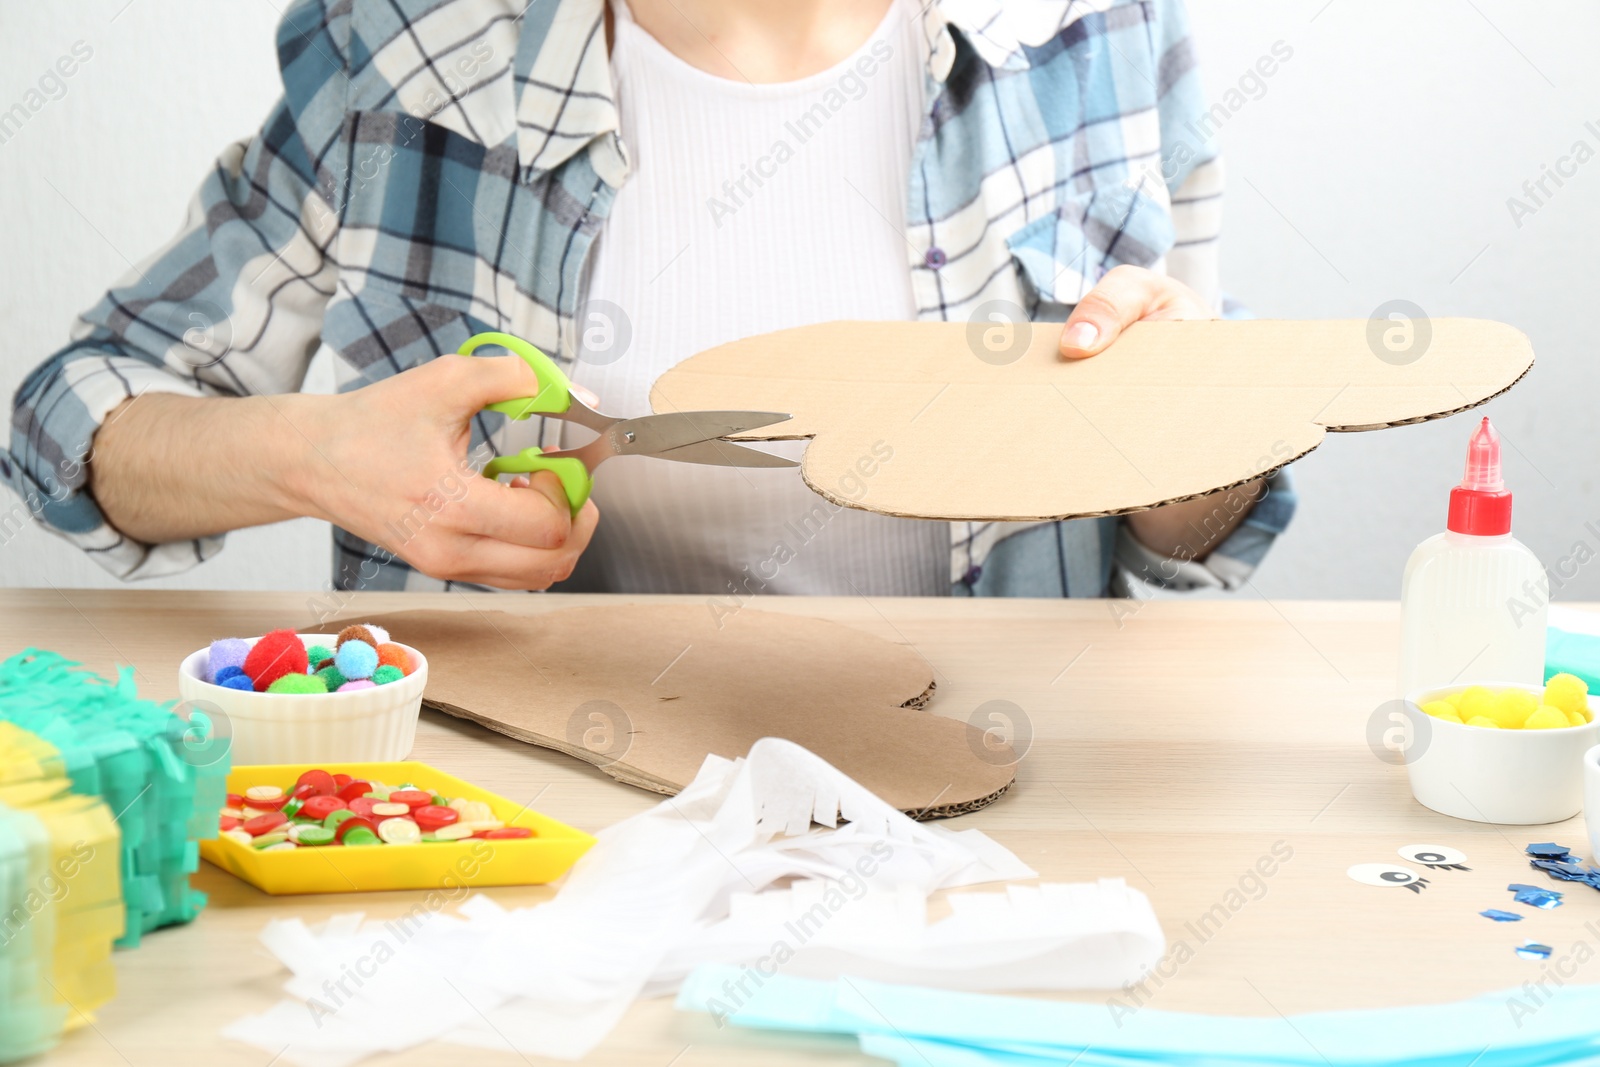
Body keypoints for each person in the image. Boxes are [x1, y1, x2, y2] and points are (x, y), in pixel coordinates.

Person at [3, 0, 1293, 598]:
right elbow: (70, 420)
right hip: (533, 828)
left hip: (1021, 796)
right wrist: (313, 457)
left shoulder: (1096, 29)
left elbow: (1197, 528)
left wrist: (1183, 438)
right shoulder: (405, 50)